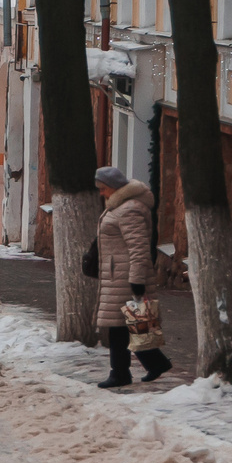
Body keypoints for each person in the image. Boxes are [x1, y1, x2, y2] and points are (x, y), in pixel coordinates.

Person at [93, 166, 173, 387]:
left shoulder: (129, 209)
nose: (101, 193)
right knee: (128, 325)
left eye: (103, 189)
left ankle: (122, 373)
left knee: (124, 326)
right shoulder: (121, 206)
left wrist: (137, 280)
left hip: (126, 276)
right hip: (117, 274)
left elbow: (139, 248)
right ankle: (151, 364)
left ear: (113, 187)